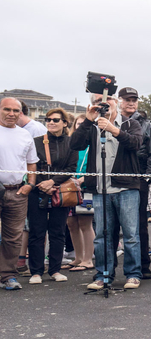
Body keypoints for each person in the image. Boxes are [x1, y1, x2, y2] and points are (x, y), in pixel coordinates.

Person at [69, 92, 145, 290]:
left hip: (126, 188)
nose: (103, 104)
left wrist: (113, 129)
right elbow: (75, 144)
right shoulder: (92, 127)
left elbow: (136, 143)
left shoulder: (130, 124)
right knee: (103, 235)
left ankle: (133, 274)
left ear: (116, 103)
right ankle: (103, 275)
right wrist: (87, 120)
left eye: (108, 100)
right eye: (98, 102)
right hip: (100, 189)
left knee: (130, 234)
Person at [26, 108, 78, 284]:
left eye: (56, 120)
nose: (51, 122)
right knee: (37, 232)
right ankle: (36, 271)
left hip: (60, 192)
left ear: (65, 123)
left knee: (58, 232)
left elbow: (71, 169)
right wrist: (43, 184)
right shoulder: (36, 142)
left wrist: (53, 182)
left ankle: (55, 269)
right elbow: (31, 166)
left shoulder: (72, 143)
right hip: (37, 191)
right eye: (48, 119)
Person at [116, 88, 151, 279]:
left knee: (140, 224)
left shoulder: (146, 124)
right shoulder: (112, 120)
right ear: (119, 101)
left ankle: (143, 264)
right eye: (127, 99)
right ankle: (107, 269)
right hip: (114, 177)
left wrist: (146, 177)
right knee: (111, 225)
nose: (131, 103)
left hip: (138, 178)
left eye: (134, 100)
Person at [0, 98, 39, 291]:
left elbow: (32, 163)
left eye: (16, 110)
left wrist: (30, 185)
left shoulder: (25, 135)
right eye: (7, 109)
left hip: (17, 191)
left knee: (13, 237)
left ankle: (7, 275)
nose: (11, 113)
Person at [65, 114, 95, 273]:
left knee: (85, 223)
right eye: (78, 124)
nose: (81, 126)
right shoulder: (71, 143)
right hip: (69, 187)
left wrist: (83, 179)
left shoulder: (92, 145)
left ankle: (88, 259)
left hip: (85, 187)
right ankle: (77, 258)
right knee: (71, 223)